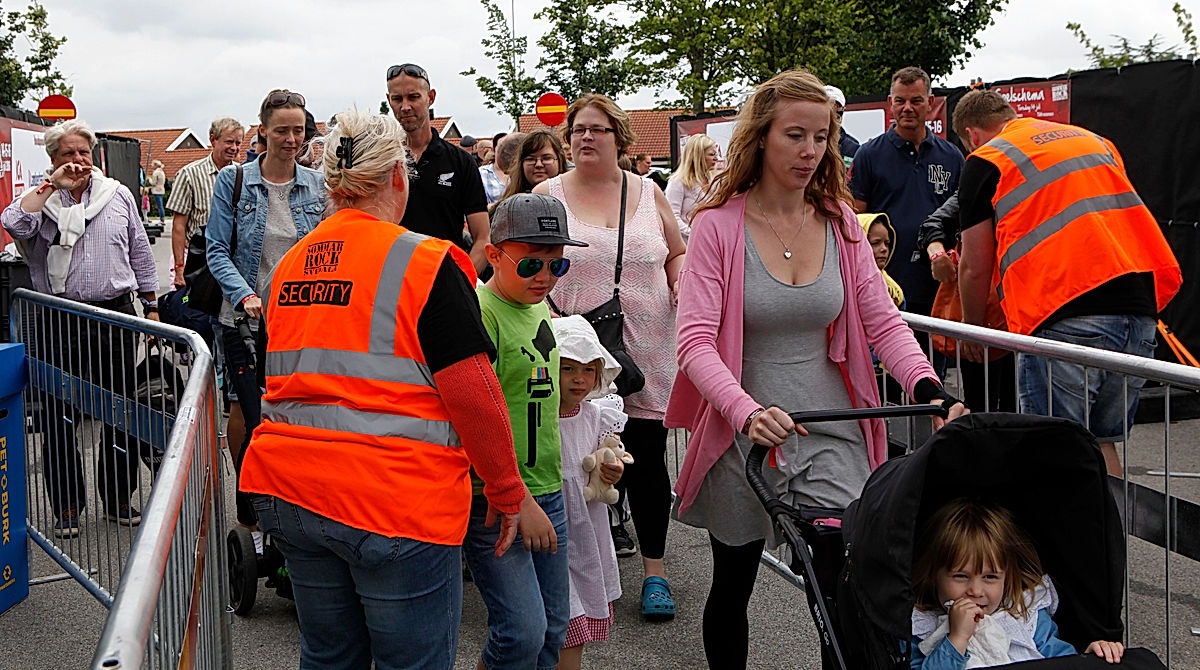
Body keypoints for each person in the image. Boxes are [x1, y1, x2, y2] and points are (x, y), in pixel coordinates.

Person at [662, 70, 968, 670]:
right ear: (761, 139)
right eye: (794, 136)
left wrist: (932, 390)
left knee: (840, 590)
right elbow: (695, 342)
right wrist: (745, 412)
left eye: (821, 138)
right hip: (743, 428)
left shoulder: (841, 224)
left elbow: (883, 324)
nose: (810, 152)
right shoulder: (718, 227)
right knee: (734, 582)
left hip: (832, 426)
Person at [239, 108, 526, 670]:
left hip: (292, 491)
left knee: (329, 657)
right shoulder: (424, 261)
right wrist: (507, 489)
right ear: (399, 174)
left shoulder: (289, 267)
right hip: (394, 499)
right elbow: (474, 393)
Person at [953, 89, 1181, 476]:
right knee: (1098, 441)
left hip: (1064, 312)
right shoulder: (1092, 140)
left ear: (972, 136)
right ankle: (1111, 535)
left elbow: (974, 266)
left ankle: (1065, 538)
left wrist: (975, 332)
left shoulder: (987, 159)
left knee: (1054, 448)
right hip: (1138, 311)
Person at [535, 93, 687, 622]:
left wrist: (680, 281)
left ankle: (655, 572)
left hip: (643, 343)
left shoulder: (649, 192)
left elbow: (677, 251)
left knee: (643, 461)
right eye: (577, 129)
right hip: (572, 348)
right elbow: (525, 257)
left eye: (597, 129)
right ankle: (569, 574)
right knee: (568, 457)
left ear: (620, 139)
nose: (585, 137)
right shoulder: (546, 194)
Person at [2, 119, 159, 536]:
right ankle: (68, 507)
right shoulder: (42, 202)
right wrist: (51, 186)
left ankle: (118, 497)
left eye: (83, 153)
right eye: (68, 154)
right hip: (59, 320)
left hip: (114, 317)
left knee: (120, 412)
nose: (77, 161)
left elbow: (140, 251)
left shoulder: (117, 194)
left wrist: (152, 306)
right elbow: (14, 224)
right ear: (53, 159)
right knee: (58, 416)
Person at [465, 192, 585, 670]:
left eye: (558, 267)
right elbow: (474, 414)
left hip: (547, 488)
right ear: (493, 255)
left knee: (554, 628)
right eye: (532, 264)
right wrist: (520, 498)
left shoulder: (538, 304)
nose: (544, 277)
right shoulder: (481, 313)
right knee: (520, 632)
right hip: (497, 500)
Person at [206, 89, 326, 531]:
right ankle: (250, 502)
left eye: (298, 130)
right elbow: (218, 250)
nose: (292, 139)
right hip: (243, 318)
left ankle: (293, 498)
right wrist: (245, 296)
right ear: (263, 132)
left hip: (299, 320)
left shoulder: (316, 184)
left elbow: (325, 250)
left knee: (295, 409)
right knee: (248, 411)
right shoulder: (234, 181)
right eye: (282, 130)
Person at [910, 498, 1125, 667]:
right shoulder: (920, 626)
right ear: (933, 576)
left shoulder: (1024, 616)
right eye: (960, 576)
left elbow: (1061, 661)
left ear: (1006, 577)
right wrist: (957, 639)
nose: (975, 591)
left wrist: (1089, 657)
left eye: (990, 577)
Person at [849, 66, 963, 320]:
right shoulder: (869, 155)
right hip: (886, 287)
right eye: (900, 101)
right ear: (890, 103)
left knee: (934, 360)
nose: (907, 108)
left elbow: (963, 220)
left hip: (938, 286)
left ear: (931, 103)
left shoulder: (952, 157)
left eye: (916, 101)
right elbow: (857, 221)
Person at [553, 315, 627, 670]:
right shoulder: (537, 415)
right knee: (533, 627)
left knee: (574, 623)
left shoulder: (598, 415)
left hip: (585, 534)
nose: (578, 379)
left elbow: (608, 463)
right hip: (550, 527)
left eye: (587, 369)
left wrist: (612, 471)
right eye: (567, 369)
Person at [386, 63, 491, 273]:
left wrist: (462, 285)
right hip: (391, 281)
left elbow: (483, 239)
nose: (405, 106)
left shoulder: (460, 162)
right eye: (397, 99)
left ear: (430, 97)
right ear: (389, 100)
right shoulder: (380, 161)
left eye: (413, 97)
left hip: (445, 279)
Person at [918, 192, 1017, 413]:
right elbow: (933, 224)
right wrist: (937, 253)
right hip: (985, 313)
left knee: (1016, 403)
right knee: (983, 401)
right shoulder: (981, 180)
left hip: (1020, 316)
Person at [168, 116, 245, 287]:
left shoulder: (243, 174)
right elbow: (179, 227)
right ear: (213, 140)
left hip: (232, 262)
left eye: (238, 143)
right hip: (199, 260)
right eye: (229, 142)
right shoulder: (190, 174)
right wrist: (180, 269)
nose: (234, 148)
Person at [664, 133, 718, 241]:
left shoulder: (715, 181)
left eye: (715, 154)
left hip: (712, 244)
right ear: (698, 156)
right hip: (687, 245)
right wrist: (695, 234)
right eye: (712, 154)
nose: (716, 158)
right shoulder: (678, 182)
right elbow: (671, 217)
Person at [500, 129, 569, 201]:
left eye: (546, 158)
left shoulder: (573, 199)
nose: (538, 164)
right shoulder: (509, 204)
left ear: (560, 161)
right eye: (531, 159)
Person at [859, 212, 904, 308]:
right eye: (875, 243)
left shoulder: (894, 291)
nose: (884, 249)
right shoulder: (845, 286)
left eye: (887, 243)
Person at [481, 132, 525, 205]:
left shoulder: (526, 173)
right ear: (494, 150)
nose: (507, 152)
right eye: (502, 147)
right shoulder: (482, 173)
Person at [824, 85, 860, 171]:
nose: (833, 119)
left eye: (838, 113)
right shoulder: (809, 146)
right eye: (828, 112)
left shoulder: (854, 148)